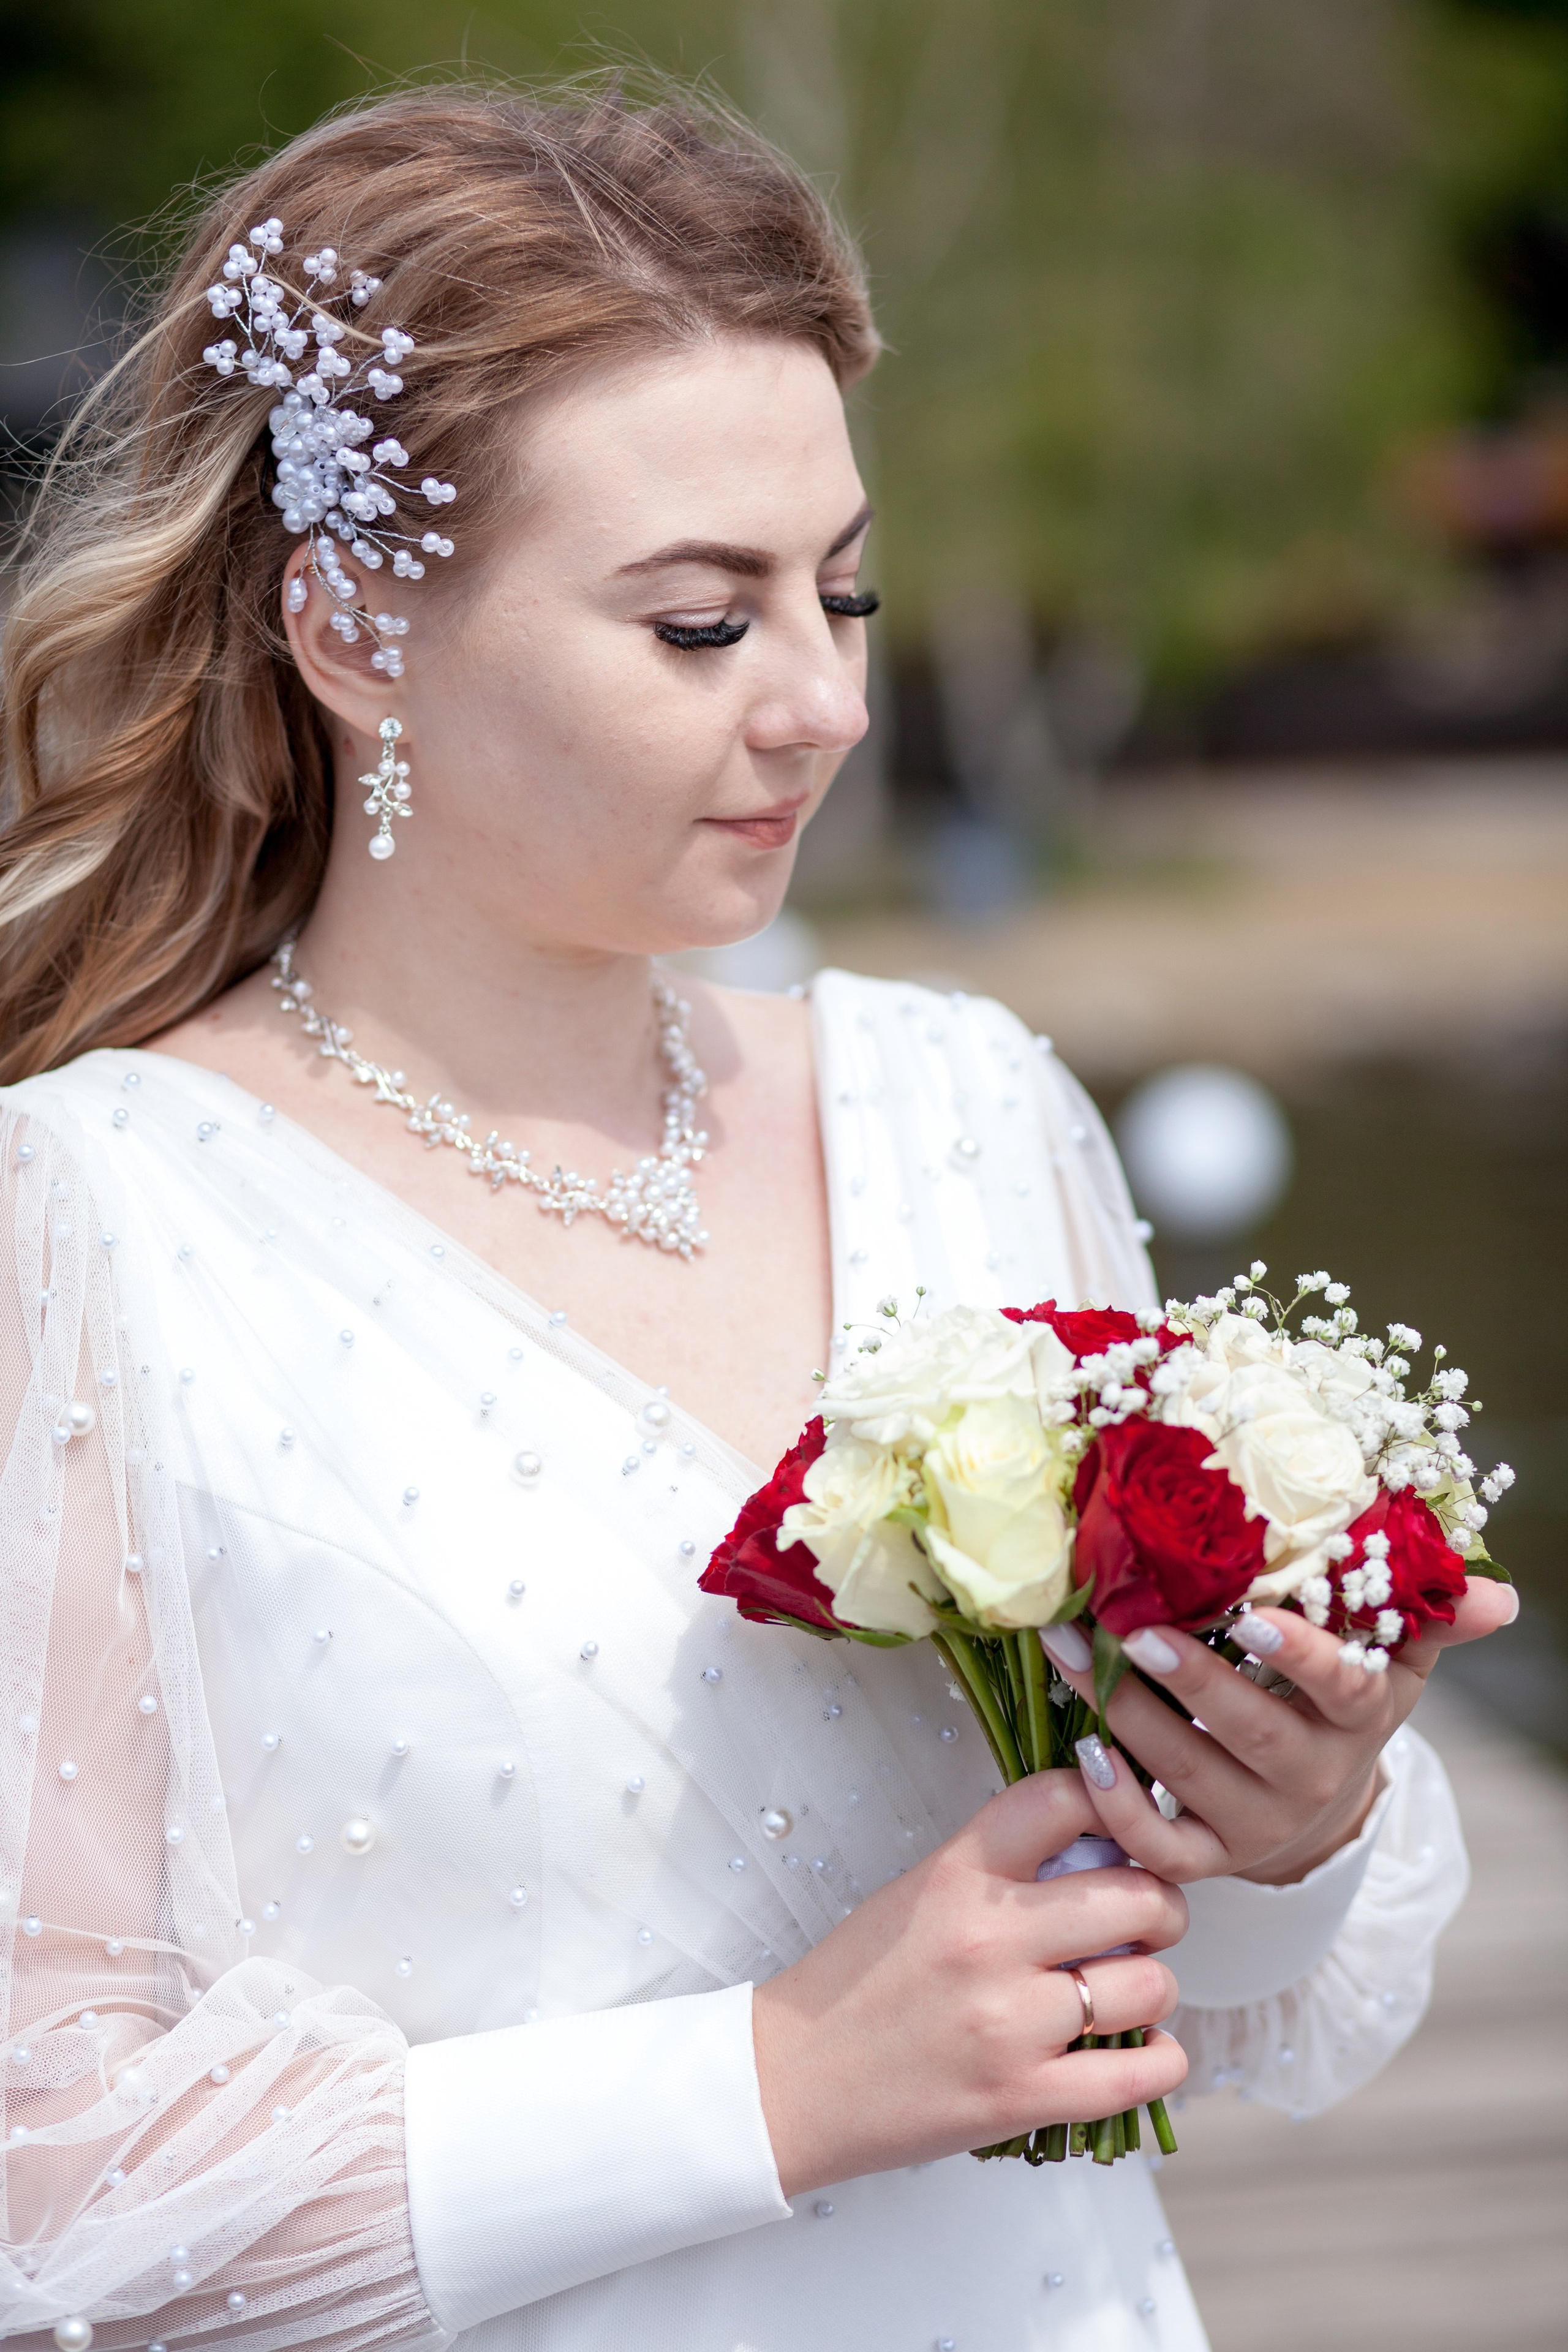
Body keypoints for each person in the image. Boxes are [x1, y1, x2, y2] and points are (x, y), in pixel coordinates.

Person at [0, 80, 1509, 2352]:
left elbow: (1195, 1992)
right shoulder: (92, 1218)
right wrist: (776, 2084)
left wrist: (1281, 1829)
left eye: (847, 587)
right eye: (701, 623)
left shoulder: (967, 1106)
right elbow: (44, 2186)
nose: (826, 702)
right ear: (353, 630)